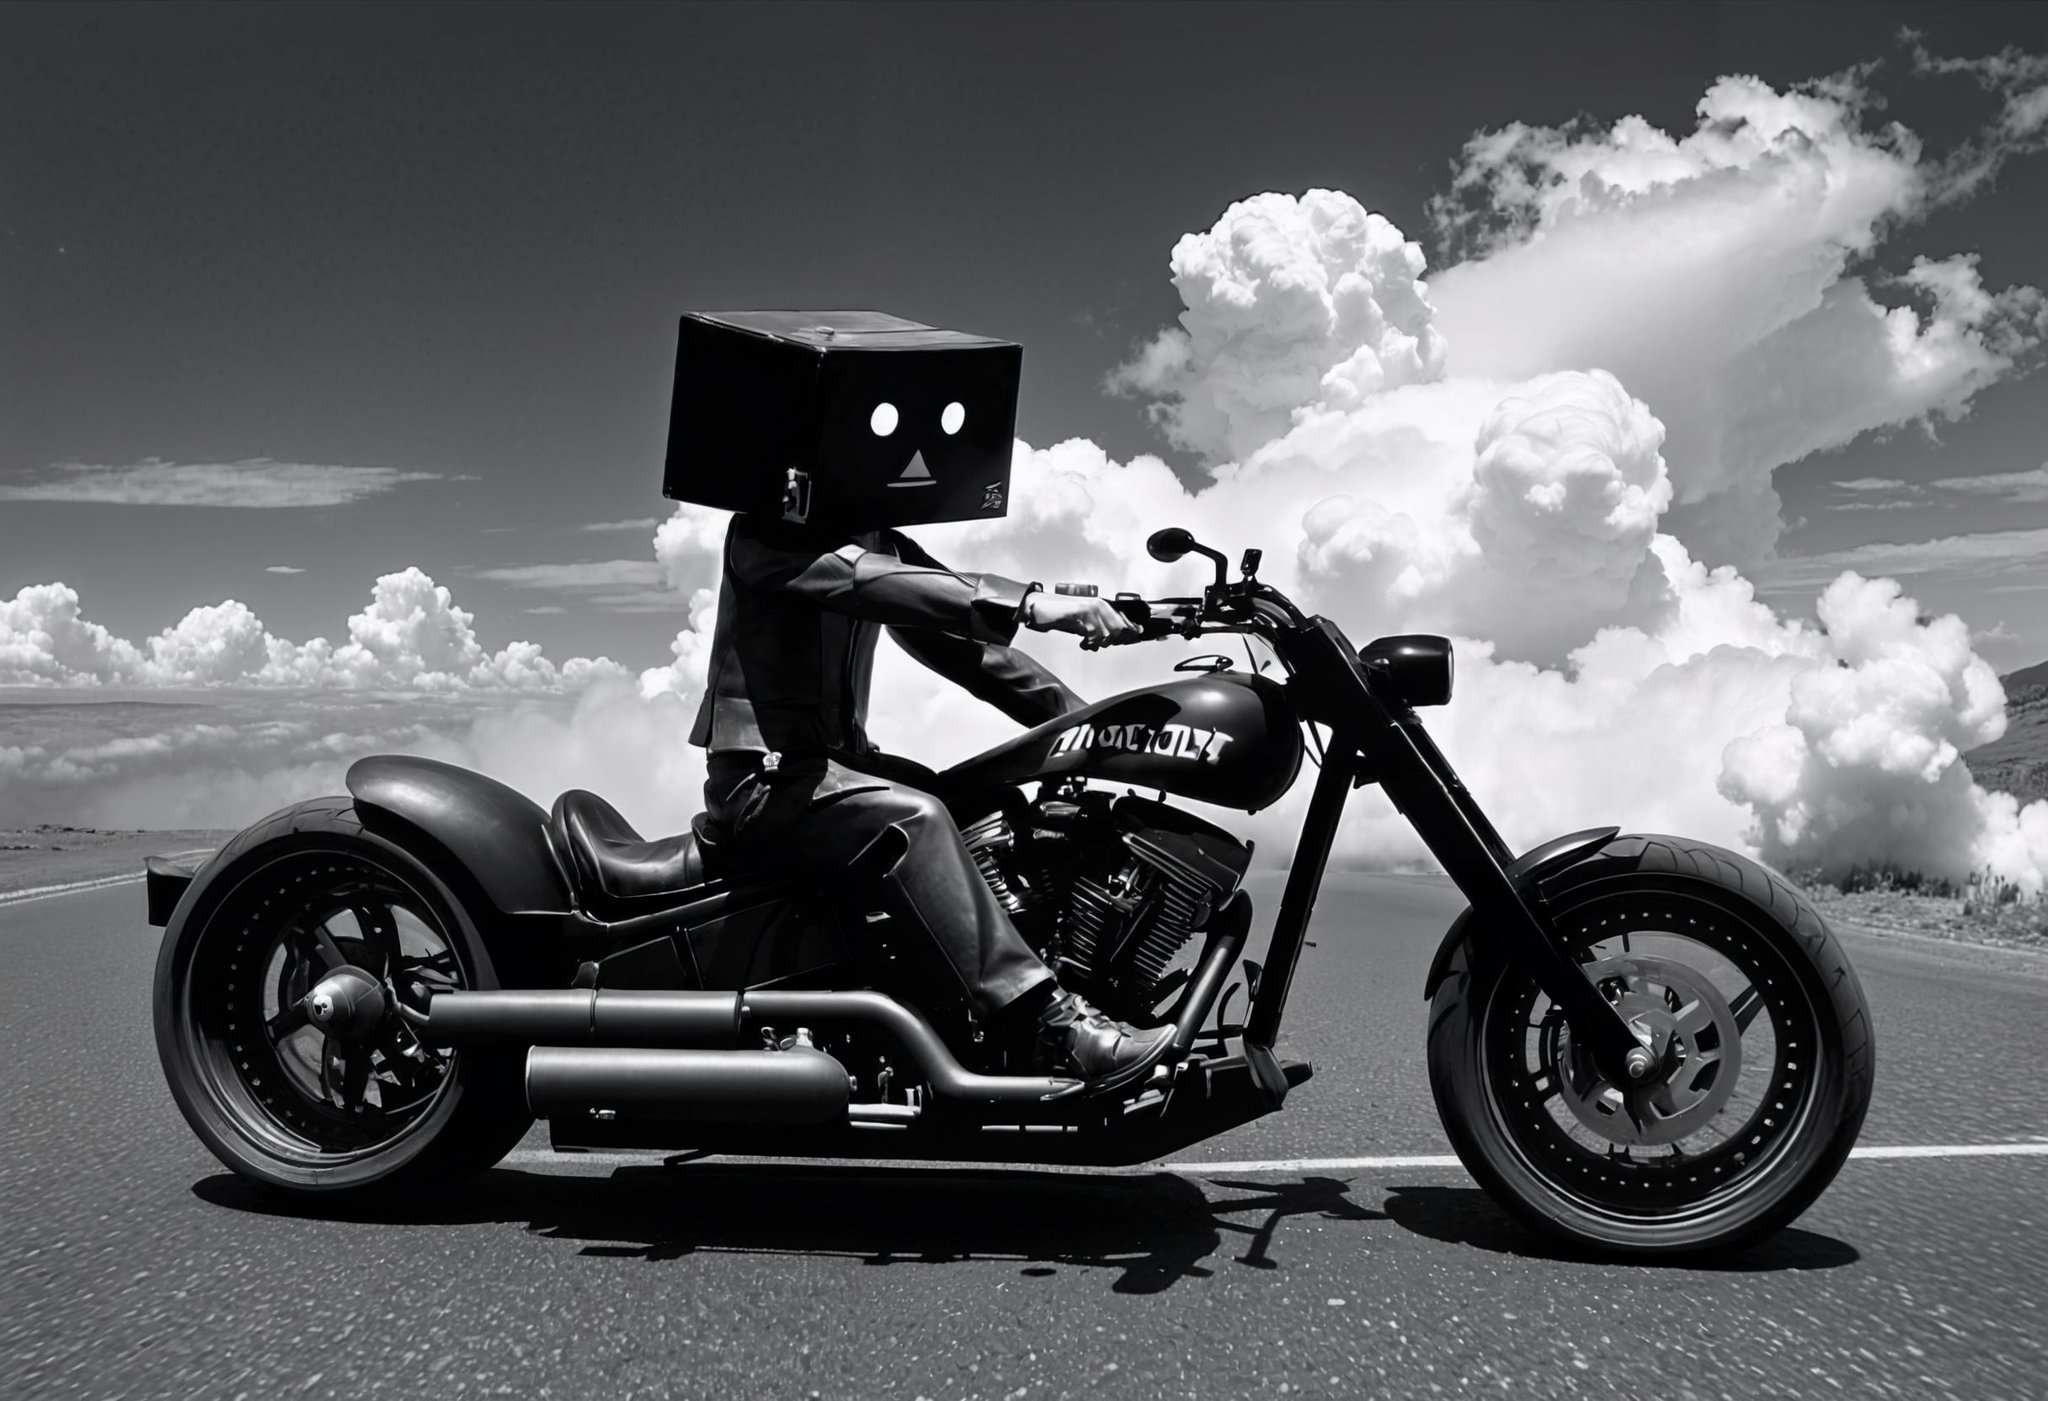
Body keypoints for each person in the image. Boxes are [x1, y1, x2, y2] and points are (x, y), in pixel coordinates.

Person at [690, 512, 1176, 1090]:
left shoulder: (879, 538)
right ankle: (1051, 1026)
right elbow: (865, 580)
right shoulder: (767, 530)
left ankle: (964, 1018)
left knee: (983, 805)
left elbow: (970, 649)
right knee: (918, 820)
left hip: (828, 769)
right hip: (763, 781)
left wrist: (1089, 727)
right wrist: (1029, 604)